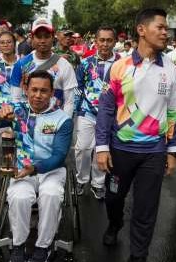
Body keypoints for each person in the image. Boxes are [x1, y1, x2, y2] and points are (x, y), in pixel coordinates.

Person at [96, 8, 176, 262]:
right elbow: (106, 109)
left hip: (153, 152)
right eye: (160, 27)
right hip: (120, 150)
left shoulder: (170, 69)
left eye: (166, 28)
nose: (165, 32)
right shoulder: (120, 67)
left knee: (146, 208)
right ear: (141, 30)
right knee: (113, 197)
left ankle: (137, 259)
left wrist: (172, 150)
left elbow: (174, 112)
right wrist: (102, 147)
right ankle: (114, 222)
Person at [0, 70, 73, 262]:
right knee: (19, 197)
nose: (38, 95)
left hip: (50, 171)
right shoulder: (17, 111)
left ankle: (43, 245)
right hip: (21, 168)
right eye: (34, 90)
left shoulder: (62, 119)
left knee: (51, 195)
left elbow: (59, 156)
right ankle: (19, 244)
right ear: (26, 89)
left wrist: (34, 169)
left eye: (44, 91)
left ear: (52, 92)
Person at [75, 26, 120, 200]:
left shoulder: (121, 64)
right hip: (87, 113)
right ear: (96, 41)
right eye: (102, 40)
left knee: (102, 150)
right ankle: (81, 179)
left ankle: (98, 183)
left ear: (114, 42)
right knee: (83, 149)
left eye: (109, 40)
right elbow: (79, 88)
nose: (105, 44)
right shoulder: (86, 63)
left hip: (110, 115)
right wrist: (76, 111)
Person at [10, 18, 78, 118]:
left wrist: (65, 126)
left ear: (53, 38)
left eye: (46, 36)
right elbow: (16, 99)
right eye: (38, 36)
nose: (42, 40)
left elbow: (69, 102)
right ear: (32, 38)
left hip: (55, 123)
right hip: (28, 121)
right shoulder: (21, 65)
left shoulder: (65, 66)